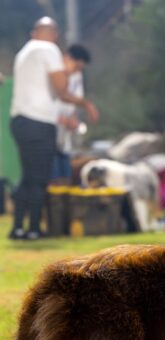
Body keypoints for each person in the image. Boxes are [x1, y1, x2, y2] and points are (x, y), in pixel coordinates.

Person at [8, 17, 99, 240]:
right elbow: (61, 90)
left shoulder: (23, 53)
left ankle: (18, 227)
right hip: (39, 122)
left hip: (20, 121)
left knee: (28, 177)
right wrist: (84, 102)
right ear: (54, 34)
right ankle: (34, 229)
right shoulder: (49, 50)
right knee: (39, 180)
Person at [52, 44, 92, 185]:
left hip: (64, 135)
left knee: (66, 174)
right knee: (53, 176)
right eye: (76, 66)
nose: (77, 70)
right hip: (49, 130)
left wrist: (73, 120)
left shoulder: (77, 76)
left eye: (80, 68)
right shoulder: (54, 72)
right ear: (67, 58)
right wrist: (61, 120)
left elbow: (75, 100)